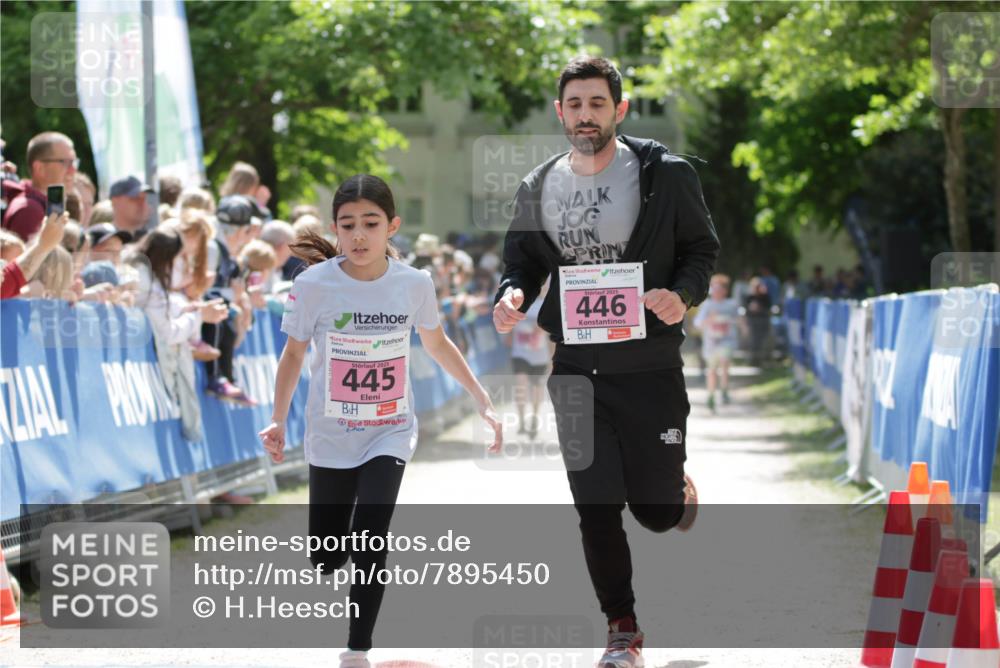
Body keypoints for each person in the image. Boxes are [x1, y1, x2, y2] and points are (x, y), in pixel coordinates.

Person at [492, 56, 719, 668]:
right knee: (594, 504)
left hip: (648, 367)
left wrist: (684, 294)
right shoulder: (539, 185)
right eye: (574, 104)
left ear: (619, 109)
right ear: (559, 112)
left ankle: (673, 491)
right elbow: (520, 262)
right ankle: (622, 627)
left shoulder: (664, 174)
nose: (584, 115)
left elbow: (701, 248)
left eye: (597, 103)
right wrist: (512, 295)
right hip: (576, 370)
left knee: (654, 513)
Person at [259, 175, 502, 668]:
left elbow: (436, 343)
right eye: (347, 225)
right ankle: (339, 548)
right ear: (335, 227)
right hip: (329, 433)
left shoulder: (413, 284)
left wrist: (481, 397)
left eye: (371, 223)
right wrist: (277, 419)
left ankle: (357, 647)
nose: (359, 235)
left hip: (389, 429)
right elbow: (292, 355)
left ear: (392, 226)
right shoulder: (312, 285)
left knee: (371, 531)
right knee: (327, 556)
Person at [125, 227, 228, 441]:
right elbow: (168, 333)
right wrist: (199, 316)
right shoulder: (147, 284)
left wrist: (187, 311)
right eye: (180, 257)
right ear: (167, 259)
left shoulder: (149, 280)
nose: (184, 264)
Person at [2, 132, 78, 242]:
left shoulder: (40, 206)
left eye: (74, 162)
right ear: (39, 168)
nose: (73, 170)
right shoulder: (29, 210)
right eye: (66, 162)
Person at [693, 274, 743, 413]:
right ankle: (711, 396)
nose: (715, 292)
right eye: (713, 289)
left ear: (725, 291)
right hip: (711, 343)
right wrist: (710, 319)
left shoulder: (731, 304)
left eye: (719, 289)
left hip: (727, 341)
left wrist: (741, 326)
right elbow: (698, 324)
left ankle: (724, 390)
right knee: (712, 371)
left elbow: (739, 319)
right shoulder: (707, 305)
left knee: (725, 362)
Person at [508, 279, 551, 439]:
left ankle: (534, 417)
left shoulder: (546, 304)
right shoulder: (517, 302)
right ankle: (521, 421)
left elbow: (551, 333)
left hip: (540, 356)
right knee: (521, 384)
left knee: (536, 389)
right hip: (520, 354)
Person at [743, 277, 772, 366]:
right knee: (753, 342)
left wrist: (760, 308)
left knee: (762, 341)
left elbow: (769, 309)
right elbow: (745, 309)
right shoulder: (749, 297)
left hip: (763, 321)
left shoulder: (765, 297)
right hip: (752, 321)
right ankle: (752, 360)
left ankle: (761, 360)